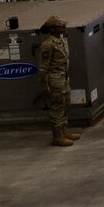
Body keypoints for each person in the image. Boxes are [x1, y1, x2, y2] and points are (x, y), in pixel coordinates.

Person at [37, 17, 78, 147]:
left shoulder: (62, 40)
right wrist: (44, 85)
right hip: (55, 80)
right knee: (57, 107)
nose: (64, 28)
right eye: (61, 26)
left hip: (64, 77)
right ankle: (57, 136)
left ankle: (64, 131)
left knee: (66, 104)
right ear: (52, 29)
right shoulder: (48, 45)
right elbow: (43, 67)